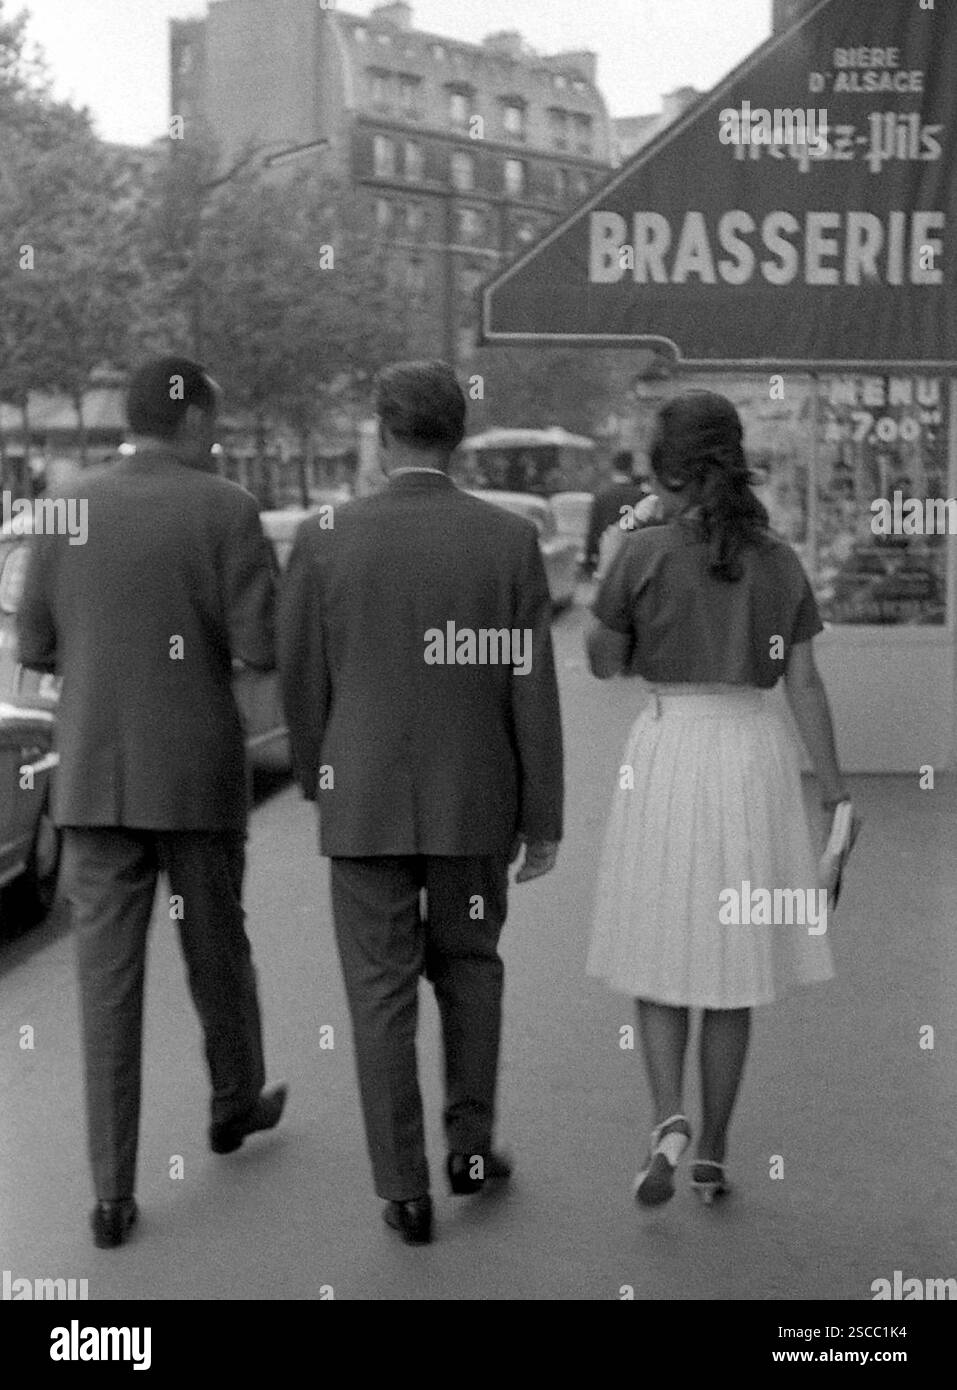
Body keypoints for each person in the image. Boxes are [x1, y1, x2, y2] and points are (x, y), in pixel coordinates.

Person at [278, 359, 564, 1245]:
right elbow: (530, 690)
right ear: (461, 433)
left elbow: (300, 679)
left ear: (380, 431)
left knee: (378, 994)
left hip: (360, 802)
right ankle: (470, 1152)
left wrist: (318, 774)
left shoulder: (324, 538)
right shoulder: (507, 542)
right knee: (470, 971)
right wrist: (541, 813)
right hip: (473, 799)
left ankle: (402, 1191)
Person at [16, 356, 287, 1249]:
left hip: (93, 779)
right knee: (217, 950)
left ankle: (111, 1194)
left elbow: (39, 644)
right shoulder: (227, 509)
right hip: (198, 777)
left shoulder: (62, 507)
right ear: (197, 422)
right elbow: (256, 648)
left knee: (106, 987)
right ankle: (233, 1101)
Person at [585, 391, 853, 1209]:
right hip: (752, 755)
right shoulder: (777, 559)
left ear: (668, 469)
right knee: (733, 969)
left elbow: (603, 661)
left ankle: (668, 1119)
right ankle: (716, 1153)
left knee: (659, 951)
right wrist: (835, 799)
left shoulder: (641, 551)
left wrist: (612, 561)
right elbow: (805, 684)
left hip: (668, 751)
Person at [582, 450, 650, 577]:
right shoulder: (643, 497)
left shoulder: (601, 496)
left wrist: (589, 562)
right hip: (634, 563)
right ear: (631, 467)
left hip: (607, 561)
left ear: (614, 467)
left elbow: (593, 531)